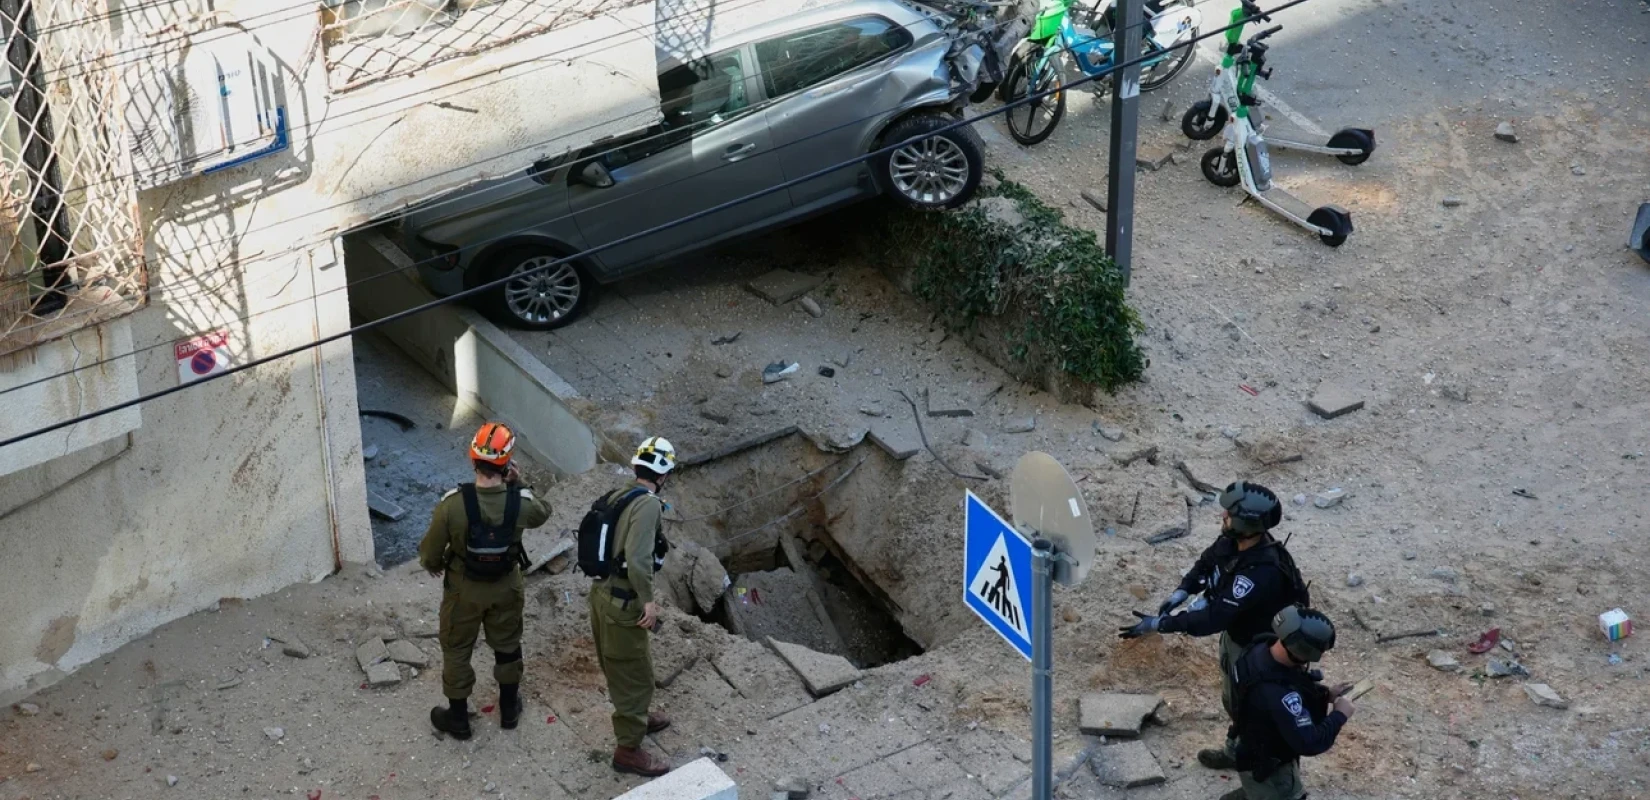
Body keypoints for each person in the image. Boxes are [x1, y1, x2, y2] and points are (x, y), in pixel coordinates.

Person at [1116, 481, 1308, 769]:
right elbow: (1207, 562)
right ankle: (1237, 749)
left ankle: (1267, 772)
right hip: (1241, 639)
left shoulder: (1260, 573)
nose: (1222, 517)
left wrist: (1161, 624)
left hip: (1263, 653)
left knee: (1256, 711)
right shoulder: (1235, 542)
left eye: (1229, 514)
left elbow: (1213, 618)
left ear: (1247, 523)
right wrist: (1183, 590)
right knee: (1236, 702)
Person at [420, 422, 551, 741]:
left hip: (464, 589)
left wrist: (435, 566)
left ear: (472, 459)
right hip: (506, 585)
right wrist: (521, 483)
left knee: (456, 647)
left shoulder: (452, 504)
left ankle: (459, 719)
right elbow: (544, 512)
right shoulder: (520, 502)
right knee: (507, 645)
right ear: (507, 464)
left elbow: (429, 553)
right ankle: (508, 709)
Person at [590, 436, 678, 777]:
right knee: (634, 676)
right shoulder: (649, 505)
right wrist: (649, 602)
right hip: (623, 602)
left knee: (627, 668)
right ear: (664, 474)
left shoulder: (620, 495)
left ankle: (639, 719)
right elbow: (639, 560)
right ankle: (628, 751)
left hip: (602, 595)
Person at [1221, 606, 1354, 800]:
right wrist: (1340, 714)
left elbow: (1289, 682)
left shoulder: (1258, 649)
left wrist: (1325, 694)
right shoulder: (1278, 692)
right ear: (1304, 651)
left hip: (1251, 745)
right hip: (1270, 769)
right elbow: (1310, 742)